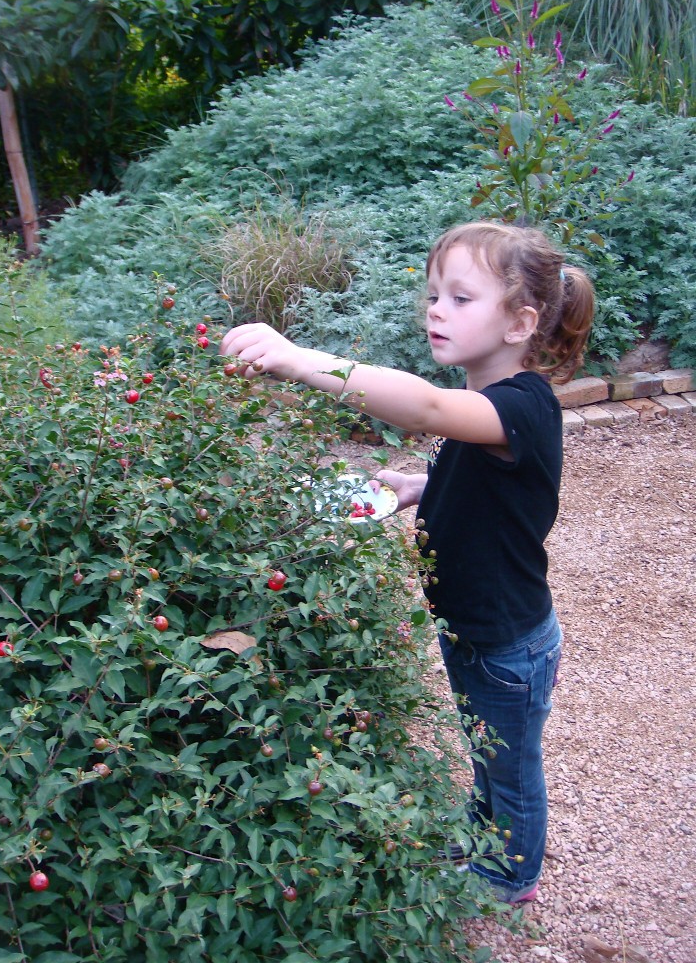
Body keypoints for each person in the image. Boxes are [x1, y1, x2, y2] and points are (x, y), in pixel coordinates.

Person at [220, 219, 595, 904]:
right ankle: (486, 832)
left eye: (460, 297)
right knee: (486, 750)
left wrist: (302, 360)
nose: (436, 310)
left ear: (521, 322)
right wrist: (420, 487)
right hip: (475, 627)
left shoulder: (521, 406)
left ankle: (510, 876)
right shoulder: (484, 407)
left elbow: (422, 406)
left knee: (511, 767)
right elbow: (481, 477)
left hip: (507, 642)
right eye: (433, 295)